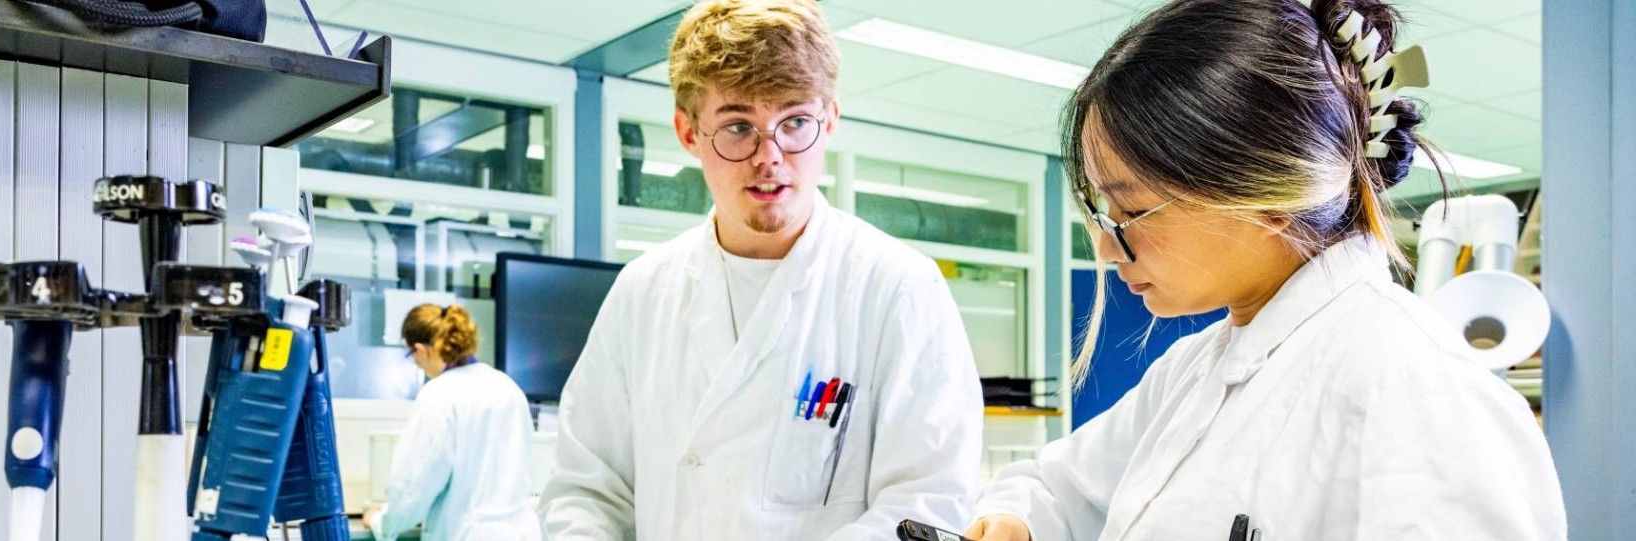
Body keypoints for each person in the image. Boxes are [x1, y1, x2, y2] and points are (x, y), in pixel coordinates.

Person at [964, 0, 1566, 539]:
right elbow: (1056, 487)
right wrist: (1017, 519)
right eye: (1103, 211)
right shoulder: (1196, 371)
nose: (1106, 247)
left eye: (1133, 210)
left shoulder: (1417, 389)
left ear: (1269, 199)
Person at [536, 0, 984, 538]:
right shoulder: (643, 291)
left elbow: (927, 503)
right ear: (688, 133)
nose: (769, 156)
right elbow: (587, 489)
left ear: (830, 120)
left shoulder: (898, 287)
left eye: (795, 122)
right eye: (738, 127)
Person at [365, 304, 543, 541]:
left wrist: (382, 521)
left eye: (412, 357)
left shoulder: (439, 394)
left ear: (420, 350)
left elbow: (413, 485)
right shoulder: (508, 387)